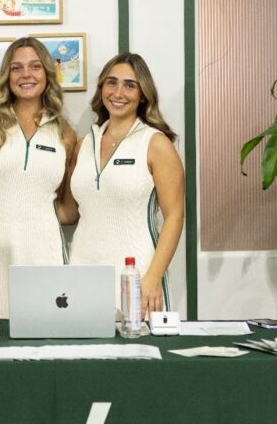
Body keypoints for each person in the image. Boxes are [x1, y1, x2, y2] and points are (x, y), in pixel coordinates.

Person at [0, 37, 77, 318]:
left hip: (45, 256)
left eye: (35, 66)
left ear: (47, 73)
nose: (26, 75)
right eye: (17, 68)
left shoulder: (65, 135)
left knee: (46, 347)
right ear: (7, 76)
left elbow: (67, 210)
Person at [59, 52, 185, 319]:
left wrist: (153, 277)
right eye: (111, 82)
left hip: (136, 274)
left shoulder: (155, 143)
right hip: (83, 273)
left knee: (137, 357)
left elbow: (175, 216)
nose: (119, 92)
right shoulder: (84, 145)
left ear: (143, 94)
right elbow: (69, 214)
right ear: (102, 88)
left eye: (130, 85)